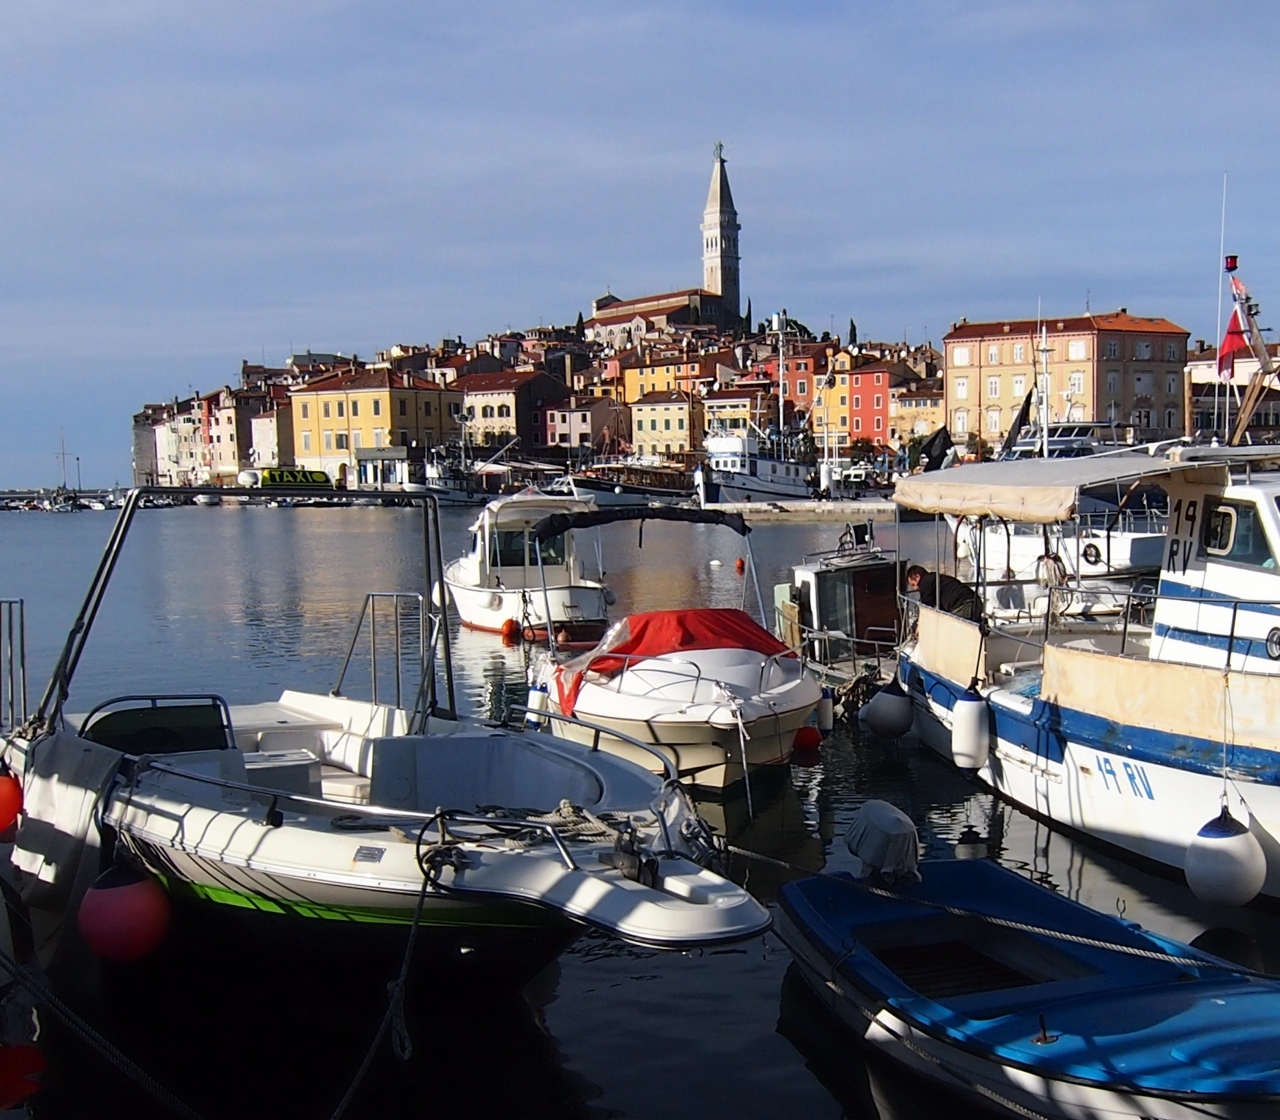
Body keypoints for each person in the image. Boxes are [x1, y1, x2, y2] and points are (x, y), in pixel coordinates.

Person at [906, 565, 980, 620]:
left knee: (954, 629)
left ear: (917, 577)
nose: (915, 588)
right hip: (973, 600)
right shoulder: (934, 579)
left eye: (913, 584)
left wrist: (920, 625)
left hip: (964, 604)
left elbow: (926, 607)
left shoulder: (925, 582)